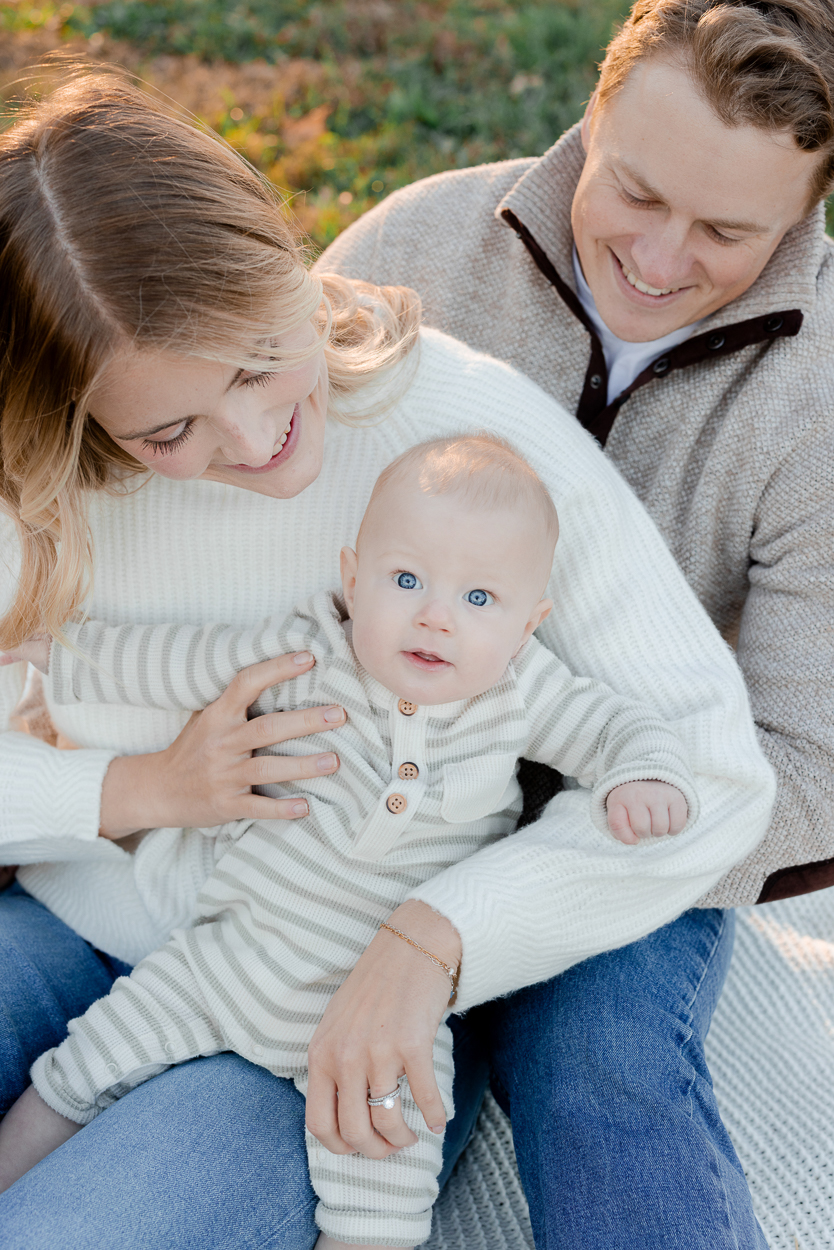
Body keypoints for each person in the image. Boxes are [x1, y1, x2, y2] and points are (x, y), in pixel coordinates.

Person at [0, 70, 773, 1249]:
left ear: (281, 250)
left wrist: (438, 935)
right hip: (70, 924)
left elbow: (713, 775)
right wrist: (133, 790)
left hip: (320, 1002)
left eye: (262, 358)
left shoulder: (469, 440)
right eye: (169, 433)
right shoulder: (42, 479)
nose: (255, 441)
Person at [319, 0, 834, 1243]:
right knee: (307, 1104)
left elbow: (805, 771)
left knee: (603, 1061)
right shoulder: (414, 249)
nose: (659, 258)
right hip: (358, 777)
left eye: (726, 231)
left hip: (630, 830)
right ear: (590, 119)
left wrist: (515, 889)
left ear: (811, 209)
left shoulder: (823, 399)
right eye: (636, 192)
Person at [0, 434, 700, 1248]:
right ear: (352, 577)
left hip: (372, 1024)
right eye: (407, 581)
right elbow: (175, 659)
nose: (436, 615)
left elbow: (615, 725)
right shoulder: (306, 652)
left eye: (481, 600)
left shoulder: (523, 691)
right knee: (72, 1076)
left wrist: (643, 775)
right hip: (219, 963)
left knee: (384, 1191)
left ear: (529, 622)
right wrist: (62, 656)